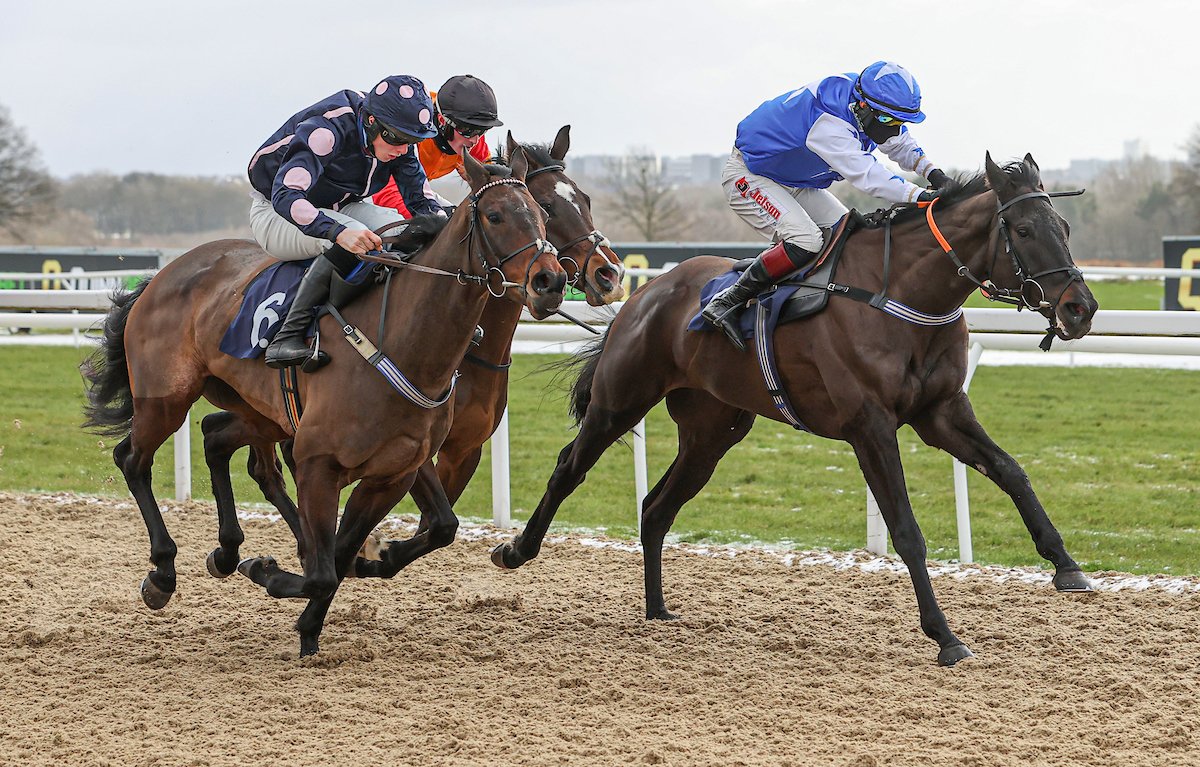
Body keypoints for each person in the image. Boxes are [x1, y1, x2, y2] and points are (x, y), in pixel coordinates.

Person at [702, 61, 951, 350]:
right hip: (750, 177)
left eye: (899, 121)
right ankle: (727, 302)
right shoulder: (829, 124)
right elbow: (868, 175)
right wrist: (920, 196)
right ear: (862, 105)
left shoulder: (866, 106)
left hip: (793, 181)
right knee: (806, 240)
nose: (893, 128)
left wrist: (935, 174)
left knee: (851, 236)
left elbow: (898, 143)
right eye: (887, 121)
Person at [246, 74, 445, 368]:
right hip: (276, 210)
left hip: (343, 205)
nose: (404, 149)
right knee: (355, 234)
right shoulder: (327, 130)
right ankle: (287, 335)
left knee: (403, 230)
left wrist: (447, 227)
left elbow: (422, 202)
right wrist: (337, 233)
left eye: (413, 141)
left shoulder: (398, 138)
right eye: (398, 139)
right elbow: (287, 195)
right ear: (371, 122)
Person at [372, 74, 503, 217]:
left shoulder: (470, 136)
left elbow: (493, 182)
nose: (475, 140)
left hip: (416, 190)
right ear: (442, 120)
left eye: (482, 130)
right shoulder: (413, 133)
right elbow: (386, 194)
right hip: (372, 187)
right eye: (469, 130)